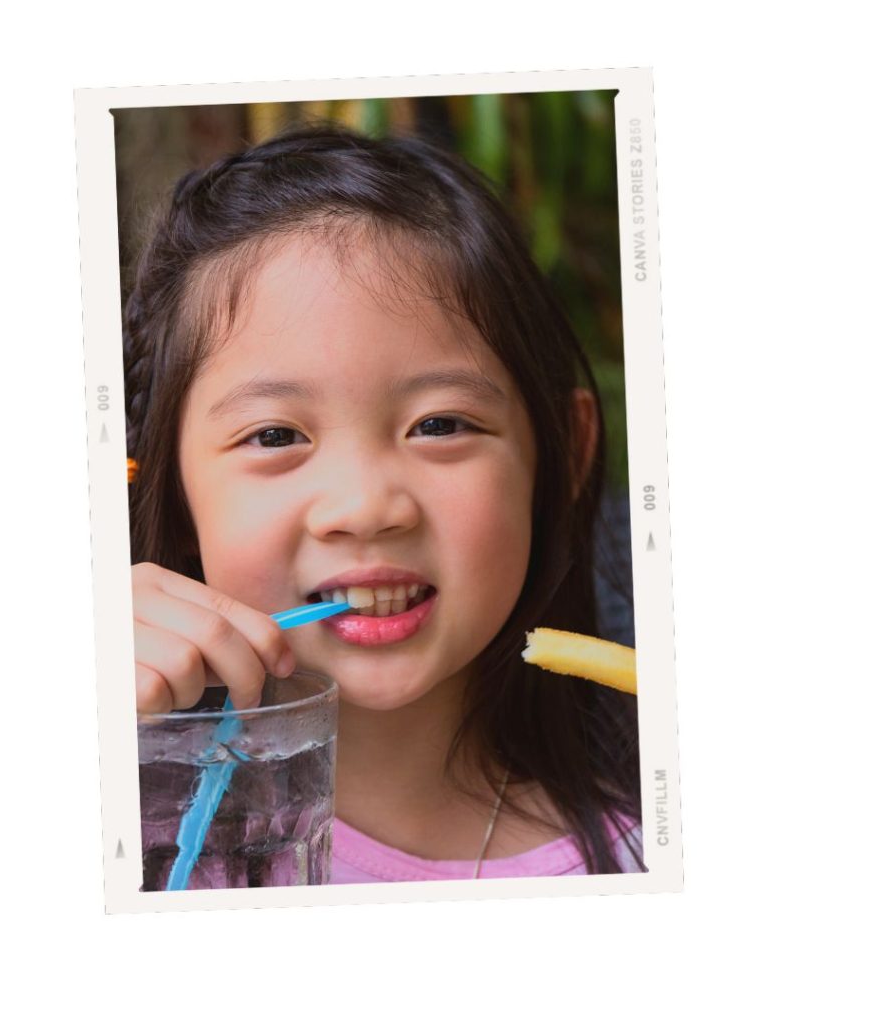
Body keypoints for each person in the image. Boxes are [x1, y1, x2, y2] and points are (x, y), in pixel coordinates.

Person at [124, 124, 644, 882]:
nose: (366, 508)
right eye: (274, 435)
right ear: (174, 483)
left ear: (563, 454)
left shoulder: (652, 855)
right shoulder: (117, 822)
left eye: (439, 425)